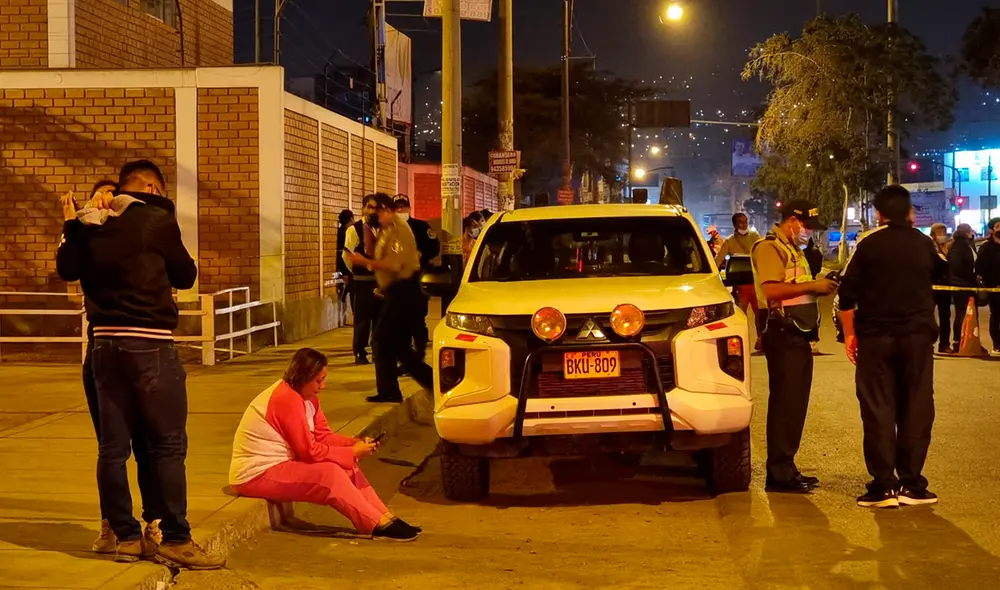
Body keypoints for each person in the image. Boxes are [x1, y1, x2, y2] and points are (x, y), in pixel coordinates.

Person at [56, 160, 223, 568]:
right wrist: (160, 214)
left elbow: (67, 269)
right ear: (150, 187)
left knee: (112, 449)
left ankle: (127, 538)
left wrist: (75, 221)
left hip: (104, 347)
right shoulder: (156, 220)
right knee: (166, 445)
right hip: (150, 346)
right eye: (162, 193)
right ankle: (176, 537)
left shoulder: (88, 224)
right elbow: (185, 276)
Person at [58, 180, 162, 555]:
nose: (104, 200)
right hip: (101, 356)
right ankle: (114, 525)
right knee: (112, 447)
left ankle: (153, 524)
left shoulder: (140, 237)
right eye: (98, 194)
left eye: (111, 194)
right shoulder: (84, 239)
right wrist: (73, 223)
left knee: (149, 445)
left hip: (143, 351)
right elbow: (69, 276)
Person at [229, 348, 421, 541]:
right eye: (318, 380)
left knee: (347, 467)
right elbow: (308, 451)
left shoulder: (308, 397)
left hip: (278, 466)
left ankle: (384, 517)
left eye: (324, 379)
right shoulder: (286, 399)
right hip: (255, 474)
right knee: (329, 475)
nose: (322, 386)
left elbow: (323, 436)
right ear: (303, 377)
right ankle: (374, 523)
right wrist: (352, 452)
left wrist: (355, 444)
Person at [838, 185, 948, 508]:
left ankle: (883, 486)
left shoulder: (868, 245)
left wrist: (849, 335)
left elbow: (847, 295)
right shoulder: (924, 244)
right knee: (916, 407)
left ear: (879, 214)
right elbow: (942, 270)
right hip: (917, 339)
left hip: (876, 339)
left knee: (878, 408)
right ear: (910, 212)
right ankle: (913, 485)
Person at [750, 200, 838, 493]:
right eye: (807, 226)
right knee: (785, 404)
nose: (809, 232)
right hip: (782, 333)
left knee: (795, 405)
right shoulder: (769, 248)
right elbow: (772, 289)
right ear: (791, 221)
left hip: (798, 333)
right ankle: (779, 474)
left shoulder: (792, 250)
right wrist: (813, 286)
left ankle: (787, 467)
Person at [348, 193, 434, 403]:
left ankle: (399, 388)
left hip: (404, 292)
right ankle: (412, 386)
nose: (372, 215)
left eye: (375, 211)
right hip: (396, 291)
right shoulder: (388, 230)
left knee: (383, 340)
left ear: (386, 210)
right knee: (395, 346)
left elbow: (396, 265)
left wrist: (364, 261)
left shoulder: (398, 230)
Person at [393, 194, 440, 363]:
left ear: (409, 208)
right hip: (396, 282)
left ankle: (419, 355)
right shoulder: (389, 229)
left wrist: (422, 255)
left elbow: (434, 248)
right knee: (399, 322)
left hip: (417, 280)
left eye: (403, 207)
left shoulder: (421, 227)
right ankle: (406, 359)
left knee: (418, 319)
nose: (400, 211)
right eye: (397, 208)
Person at [716, 213, 763, 350]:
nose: (744, 225)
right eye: (741, 223)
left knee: (760, 314)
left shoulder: (755, 238)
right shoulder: (729, 241)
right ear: (735, 225)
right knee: (740, 317)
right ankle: (740, 343)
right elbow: (719, 260)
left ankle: (761, 340)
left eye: (745, 222)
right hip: (740, 286)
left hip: (756, 283)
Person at [343, 196, 381, 365]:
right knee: (362, 319)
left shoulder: (384, 228)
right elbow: (347, 256)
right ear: (364, 208)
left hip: (381, 281)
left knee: (380, 318)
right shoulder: (354, 230)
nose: (374, 211)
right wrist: (357, 271)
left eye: (376, 208)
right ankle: (360, 351)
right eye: (370, 207)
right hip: (362, 281)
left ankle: (378, 350)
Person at [947, 223, 978, 348]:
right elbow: (957, 266)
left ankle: (969, 340)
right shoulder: (959, 246)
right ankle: (958, 341)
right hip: (961, 284)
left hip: (968, 283)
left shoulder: (968, 245)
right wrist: (971, 275)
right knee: (961, 313)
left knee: (969, 314)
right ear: (966, 233)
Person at [975, 217, 1000, 356]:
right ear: (991, 230)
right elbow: (980, 268)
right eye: (997, 226)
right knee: (996, 316)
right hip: (994, 287)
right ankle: (997, 345)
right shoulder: (986, 247)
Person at [930, 223, 954, 353]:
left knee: (945, 316)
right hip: (932, 286)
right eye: (939, 232)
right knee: (929, 316)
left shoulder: (949, 247)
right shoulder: (929, 247)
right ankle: (929, 343)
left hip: (945, 286)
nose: (942, 234)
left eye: (943, 231)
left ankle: (944, 344)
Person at [336, 209, 355, 323]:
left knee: (348, 292)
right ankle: (352, 315)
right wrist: (345, 272)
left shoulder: (340, 232)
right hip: (347, 269)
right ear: (351, 219)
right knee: (352, 292)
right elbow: (344, 253)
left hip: (343, 269)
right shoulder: (347, 232)